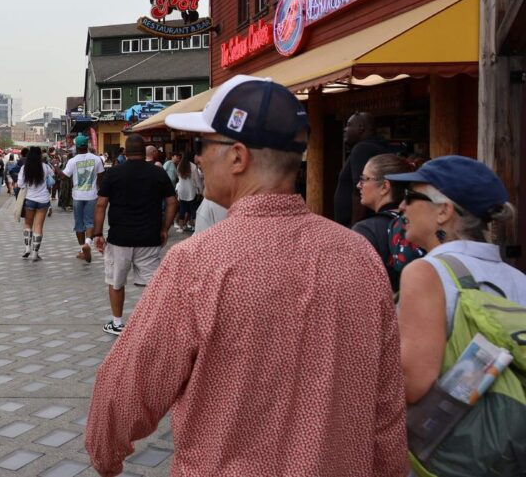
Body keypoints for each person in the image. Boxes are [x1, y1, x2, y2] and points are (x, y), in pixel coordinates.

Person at [86, 75, 408, 476]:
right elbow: (387, 404)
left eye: (203, 147)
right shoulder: (358, 256)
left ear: (238, 157)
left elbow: (125, 387)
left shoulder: (197, 263)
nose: (198, 159)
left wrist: (106, 455)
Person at [386, 156, 526, 473]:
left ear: (444, 211)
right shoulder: (518, 280)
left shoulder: (425, 273)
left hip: (444, 454)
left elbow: (413, 383)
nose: (402, 208)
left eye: (411, 197)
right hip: (508, 451)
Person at [91, 134, 175, 335]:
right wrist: (165, 228)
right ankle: (151, 324)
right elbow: (172, 202)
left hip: (120, 238)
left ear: (125, 152)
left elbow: (101, 204)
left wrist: (97, 233)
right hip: (149, 237)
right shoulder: (158, 173)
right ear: (145, 149)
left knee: (116, 282)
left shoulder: (114, 173)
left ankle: (118, 323)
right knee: (151, 285)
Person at [352, 153, 422, 292]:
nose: (358, 185)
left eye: (363, 179)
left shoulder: (366, 230)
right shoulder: (419, 223)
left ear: (385, 186)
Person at [335, 112, 391, 227]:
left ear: (361, 128)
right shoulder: (376, 146)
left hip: (358, 225)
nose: (345, 129)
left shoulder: (362, 149)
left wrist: (355, 228)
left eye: (349, 125)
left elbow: (359, 190)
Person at [59, 135, 105, 263]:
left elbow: (64, 176)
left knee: (79, 224)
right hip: (92, 195)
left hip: (78, 196)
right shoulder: (96, 159)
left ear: (77, 146)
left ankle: (81, 249)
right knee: (90, 222)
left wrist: (55, 168)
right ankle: (87, 244)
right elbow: (101, 176)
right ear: (87, 145)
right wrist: (100, 191)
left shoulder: (72, 161)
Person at [15, 146, 53, 261]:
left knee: (28, 224)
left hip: (30, 199)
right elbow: (52, 177)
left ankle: (27, 248)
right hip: (43, 200)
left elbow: (20, 184)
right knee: (38, 226)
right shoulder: (45, 167)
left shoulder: (24, 168)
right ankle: (35, 254)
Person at [175, 154, 200, 232]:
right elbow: (197, 180)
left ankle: (181, 227)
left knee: (182, 209)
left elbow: (178, 178)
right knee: (193, 209)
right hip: (191, 190)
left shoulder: (179, 165)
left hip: (181, 190)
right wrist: (201, 189)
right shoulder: (193, 166)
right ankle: (196, 228)